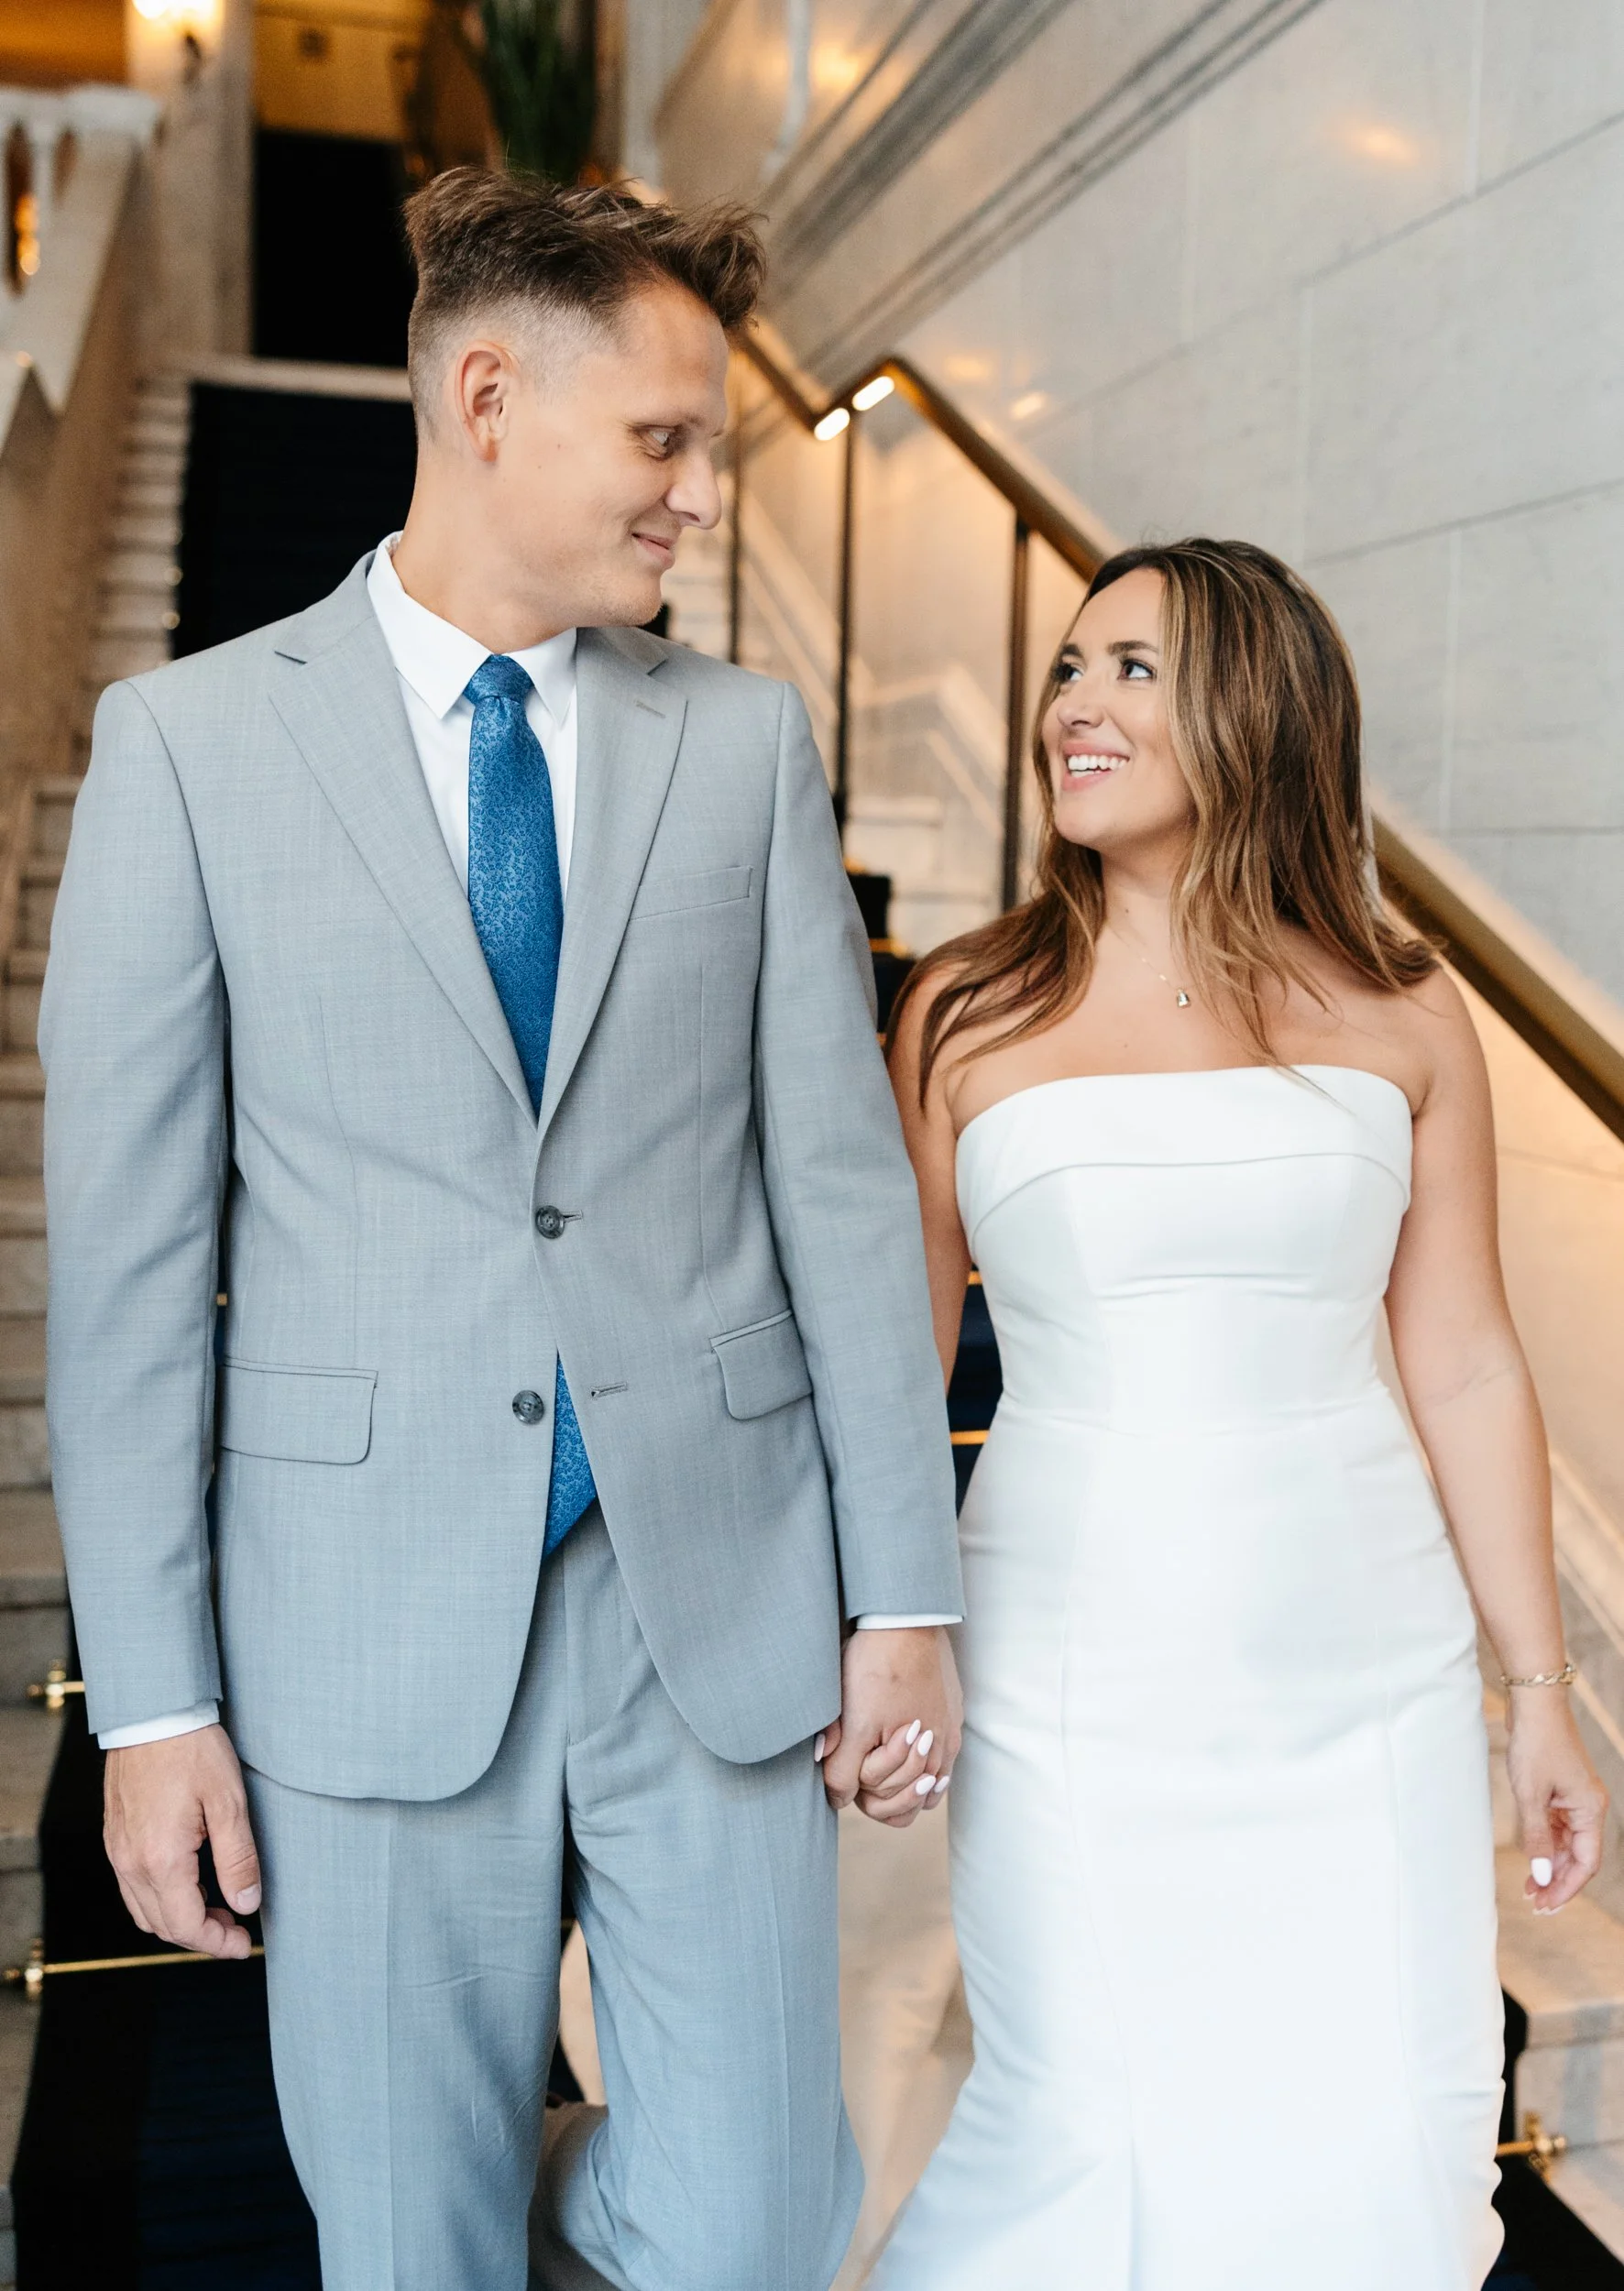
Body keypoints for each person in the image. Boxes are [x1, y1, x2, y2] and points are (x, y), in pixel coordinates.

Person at [40, 169, 965, 2291]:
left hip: (707, 1592)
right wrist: (154, 1705)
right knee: (403, 2237)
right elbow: (126, 1279)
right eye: (663, 438)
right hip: (354, 1608)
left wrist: (901, 1585)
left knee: (749, 2225)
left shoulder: (740, 741)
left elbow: (837, 1194)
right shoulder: (186, 747)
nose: (699, 496)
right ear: (483, 397)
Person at [872, 537, 1607, 2289]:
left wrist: (1540, 1697)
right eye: (1069, 666)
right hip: (1072, 1664)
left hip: (1367, 1677)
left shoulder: (1406, 1006)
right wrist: (892, 1627)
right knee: (1082, 2122)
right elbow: (895, 1365)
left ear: (1258, 711)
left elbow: (1467, 1360)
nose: (1076, 703)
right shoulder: (965, 1008)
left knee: (1381, 2131)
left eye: (1134, 668)